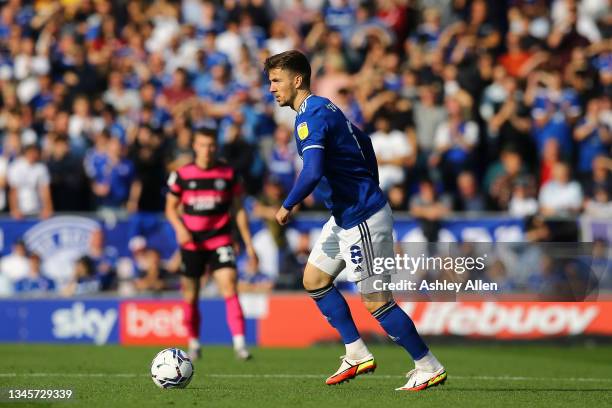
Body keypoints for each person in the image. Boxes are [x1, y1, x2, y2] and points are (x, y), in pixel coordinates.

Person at [265, 50, 446, 391]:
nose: (271, 88)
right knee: (314, 278)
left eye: (276, 80)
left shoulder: (310, 118)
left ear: (298, 79)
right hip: (346, 214)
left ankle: (428, 365)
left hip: (361, 215)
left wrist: (287, 205)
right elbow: (363, 140)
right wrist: (367, 182)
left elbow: (314, 170)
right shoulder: (325, 107)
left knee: (376, 300)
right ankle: (356, 351)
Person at [166, 128, 258, 361]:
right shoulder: (182, 175)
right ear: (194, 146)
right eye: (202, 145)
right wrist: (180, 229)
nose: (207, 150)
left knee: (229, 285)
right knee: (190, 295)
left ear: (215, 147)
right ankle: (194, 344)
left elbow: (238, 209)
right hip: (192, 243)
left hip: (220, 239)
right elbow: (170, 208)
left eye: (211, 145)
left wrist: (248, 244)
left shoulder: (228, 174)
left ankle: (239, 345)